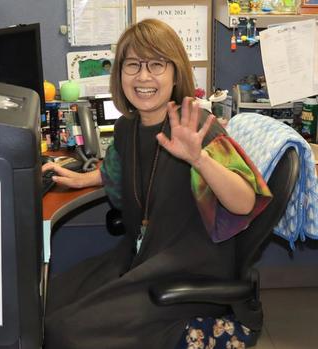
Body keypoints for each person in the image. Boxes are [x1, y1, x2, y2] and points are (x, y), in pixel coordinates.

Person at [43, 19, 272, 349]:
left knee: (66, 331)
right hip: (141, 259)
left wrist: (199, 159)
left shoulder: (197, 128)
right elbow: (121, 172)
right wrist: (83, 177)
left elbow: (244, 202)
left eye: (156, 64)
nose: (144, 76)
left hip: (188, 273)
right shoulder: (127, 128)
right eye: (133, 64)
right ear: (119, 74)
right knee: (50, 300)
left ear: (175, 73)